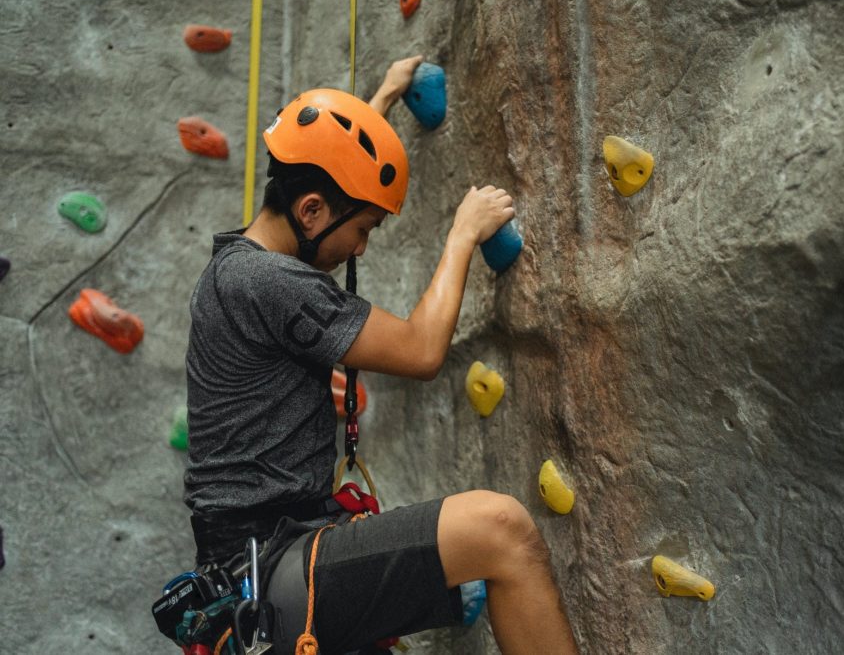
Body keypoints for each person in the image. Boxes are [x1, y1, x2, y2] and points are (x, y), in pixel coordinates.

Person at [182, 56, 579, 654]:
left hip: (262, 561)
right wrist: (463, 233)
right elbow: (421, 351)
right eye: (363, 229)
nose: (360, 246)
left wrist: (382, 102)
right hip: (276, 567)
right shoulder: (272, 285)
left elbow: (327, 172)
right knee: (501, 529)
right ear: (311, 210)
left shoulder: (240, 264)